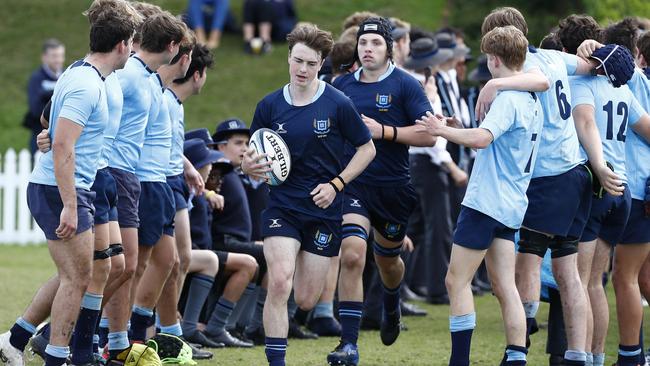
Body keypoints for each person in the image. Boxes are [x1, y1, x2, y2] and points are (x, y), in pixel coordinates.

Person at [0, 2, 140, 366]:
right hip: (60, 189)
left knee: (91, 271)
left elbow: (55, 127)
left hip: (80, 186)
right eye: (132, 42)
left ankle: (67, 352)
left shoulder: (91, 77)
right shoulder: (85, 83)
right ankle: (59, 356)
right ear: (123, 44)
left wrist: (52, 137)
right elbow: (62, 145)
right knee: (78, 276)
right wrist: (70, 202)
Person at [240, 23, 376, 366]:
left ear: (321, 65)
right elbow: (252, 155)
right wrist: (249, 167)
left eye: (311, 64)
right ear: (288, 57)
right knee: (280, 281)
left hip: (323, 208)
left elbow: (367, 149)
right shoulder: (269, 105)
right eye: (298, 61)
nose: (302, 69)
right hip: (282, 207)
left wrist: (336, 185)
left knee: (305, 298)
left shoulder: (337, 104)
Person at [417, 25, 543, 366]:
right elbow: (496, 141)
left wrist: (440, 130)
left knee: (455, 280)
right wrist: (459, 128)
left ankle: (459, 361)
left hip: (486, 201)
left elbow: (483, 140)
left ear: (495, 59)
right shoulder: (532, 100)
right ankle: (517, 356)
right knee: (504, 286)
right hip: (512, 203)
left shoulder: (508, 99)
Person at [328, 16, 436, 365]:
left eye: (375, 43)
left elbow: (429, 135)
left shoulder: (407, 86)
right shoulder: (341, 86)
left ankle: (391, 301)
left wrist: (384, 132)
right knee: (353, 253)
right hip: (353, 184)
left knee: (388, 262)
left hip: (392, 189)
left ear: (389, 49)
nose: (368, 49)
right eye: (363, 43)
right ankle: (348, 343)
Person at [102, 10, 186, 361]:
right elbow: (95, 103)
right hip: (127, 176)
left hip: (142, 181)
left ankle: (118, 341)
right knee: (123, 266)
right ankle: (96, 336)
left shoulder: (149, 79)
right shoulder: (130, 76)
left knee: (141, 264)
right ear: (171, 46)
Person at [575, 19, 650, 366]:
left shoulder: (596, 83)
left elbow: (587, 123)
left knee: (600, 281)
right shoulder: (626, 87)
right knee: (620, 279)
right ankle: (614, 355)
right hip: (629, 192)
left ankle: (609, 356)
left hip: (613, 184)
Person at [24, 39, 65, 155]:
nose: (58, 60)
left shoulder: (67, 75)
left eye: (61, 56)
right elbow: (35, 109)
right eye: (54, 56)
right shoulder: (36, 78)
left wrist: (46, 95)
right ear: (44, 57)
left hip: (63, 135)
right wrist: (54, 94)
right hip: (40, 136)